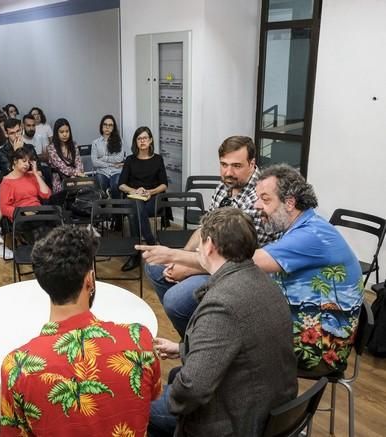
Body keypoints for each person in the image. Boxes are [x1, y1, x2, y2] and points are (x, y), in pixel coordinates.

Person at [140, 164, 364, 374]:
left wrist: (173, 255)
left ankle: (200, 366)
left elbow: (242, 262)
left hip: (320, 349)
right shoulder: (306, 227)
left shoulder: (311, 235)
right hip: (296, 325)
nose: (257, 206)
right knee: (216, 311)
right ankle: (196, 357)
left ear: (289, 202)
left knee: (211, 313)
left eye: (265, 199)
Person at [148, 208, 298, 436]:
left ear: (209, 246)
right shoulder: (266, 283)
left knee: (135, 409)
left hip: (239, 422)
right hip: (273, 408)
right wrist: (181, 349)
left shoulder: (221, 304)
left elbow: (193, 388)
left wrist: (171, 403)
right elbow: (243, 346)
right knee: (176, 376)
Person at [0, 225, 161, 436]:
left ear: (43, 283)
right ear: (89, 280)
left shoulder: (17, 367)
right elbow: (153, 395)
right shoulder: (140, 340)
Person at [145, 136, 279, 336]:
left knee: (174, 300)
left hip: (240, 271)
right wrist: (182, 254)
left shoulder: (258, 199)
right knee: (154, 267)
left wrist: (187, 268)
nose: (228, 172)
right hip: (212, 257)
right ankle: (198, 332)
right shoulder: (225, 185)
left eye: (236, 166)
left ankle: (199, 341)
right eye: (223, 164)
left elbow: (233, 260)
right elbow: (205, 227)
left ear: (252, 164)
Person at [118, 126, 168, 272]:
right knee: (136, 204)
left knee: (136, 211)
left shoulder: (158, 159)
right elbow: (121, 184)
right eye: (139, 138)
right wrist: (136, 191)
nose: (142, 141)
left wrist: (149, 192)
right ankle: (152, 244)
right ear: (136, 142)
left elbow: (164, 185)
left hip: (153, 199)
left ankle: (135, 254)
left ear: (151, 140)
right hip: (134, 197)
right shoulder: (130, 160)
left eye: (145, 138)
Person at [0, 148, 50, 221]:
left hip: (38, 211)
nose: (27, 164)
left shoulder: (31, 176)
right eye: (24, 161)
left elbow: (46, 195)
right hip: (21, 215)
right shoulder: (7, 182)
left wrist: (35, 173)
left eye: (29, 162)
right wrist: (22, 212)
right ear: (15, 161)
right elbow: (4, 208)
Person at [47, 118, 84, 193]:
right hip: (61, 180)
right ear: (56, 133)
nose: (65, 134)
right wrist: (76, 173)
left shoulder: (74, 144)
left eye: (67, 131)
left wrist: (75, 176)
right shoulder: (51, 148)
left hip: (75, 177)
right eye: (61, 132)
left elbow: (79, 163)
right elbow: (62, 167)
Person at [91, 115, 124, 199]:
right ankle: (102, 209)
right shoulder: (95, 143)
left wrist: (103, 158)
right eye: (105, 124)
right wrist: (111, 164)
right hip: (102, 171)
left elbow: (119, 158)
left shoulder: (119, 141)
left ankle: (117, 209)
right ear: (101, 126)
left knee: (116, 185)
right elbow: (95, 162)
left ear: (113, 127)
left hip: (116, 171)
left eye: (110, 125)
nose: (107, 127)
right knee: (100, 184)